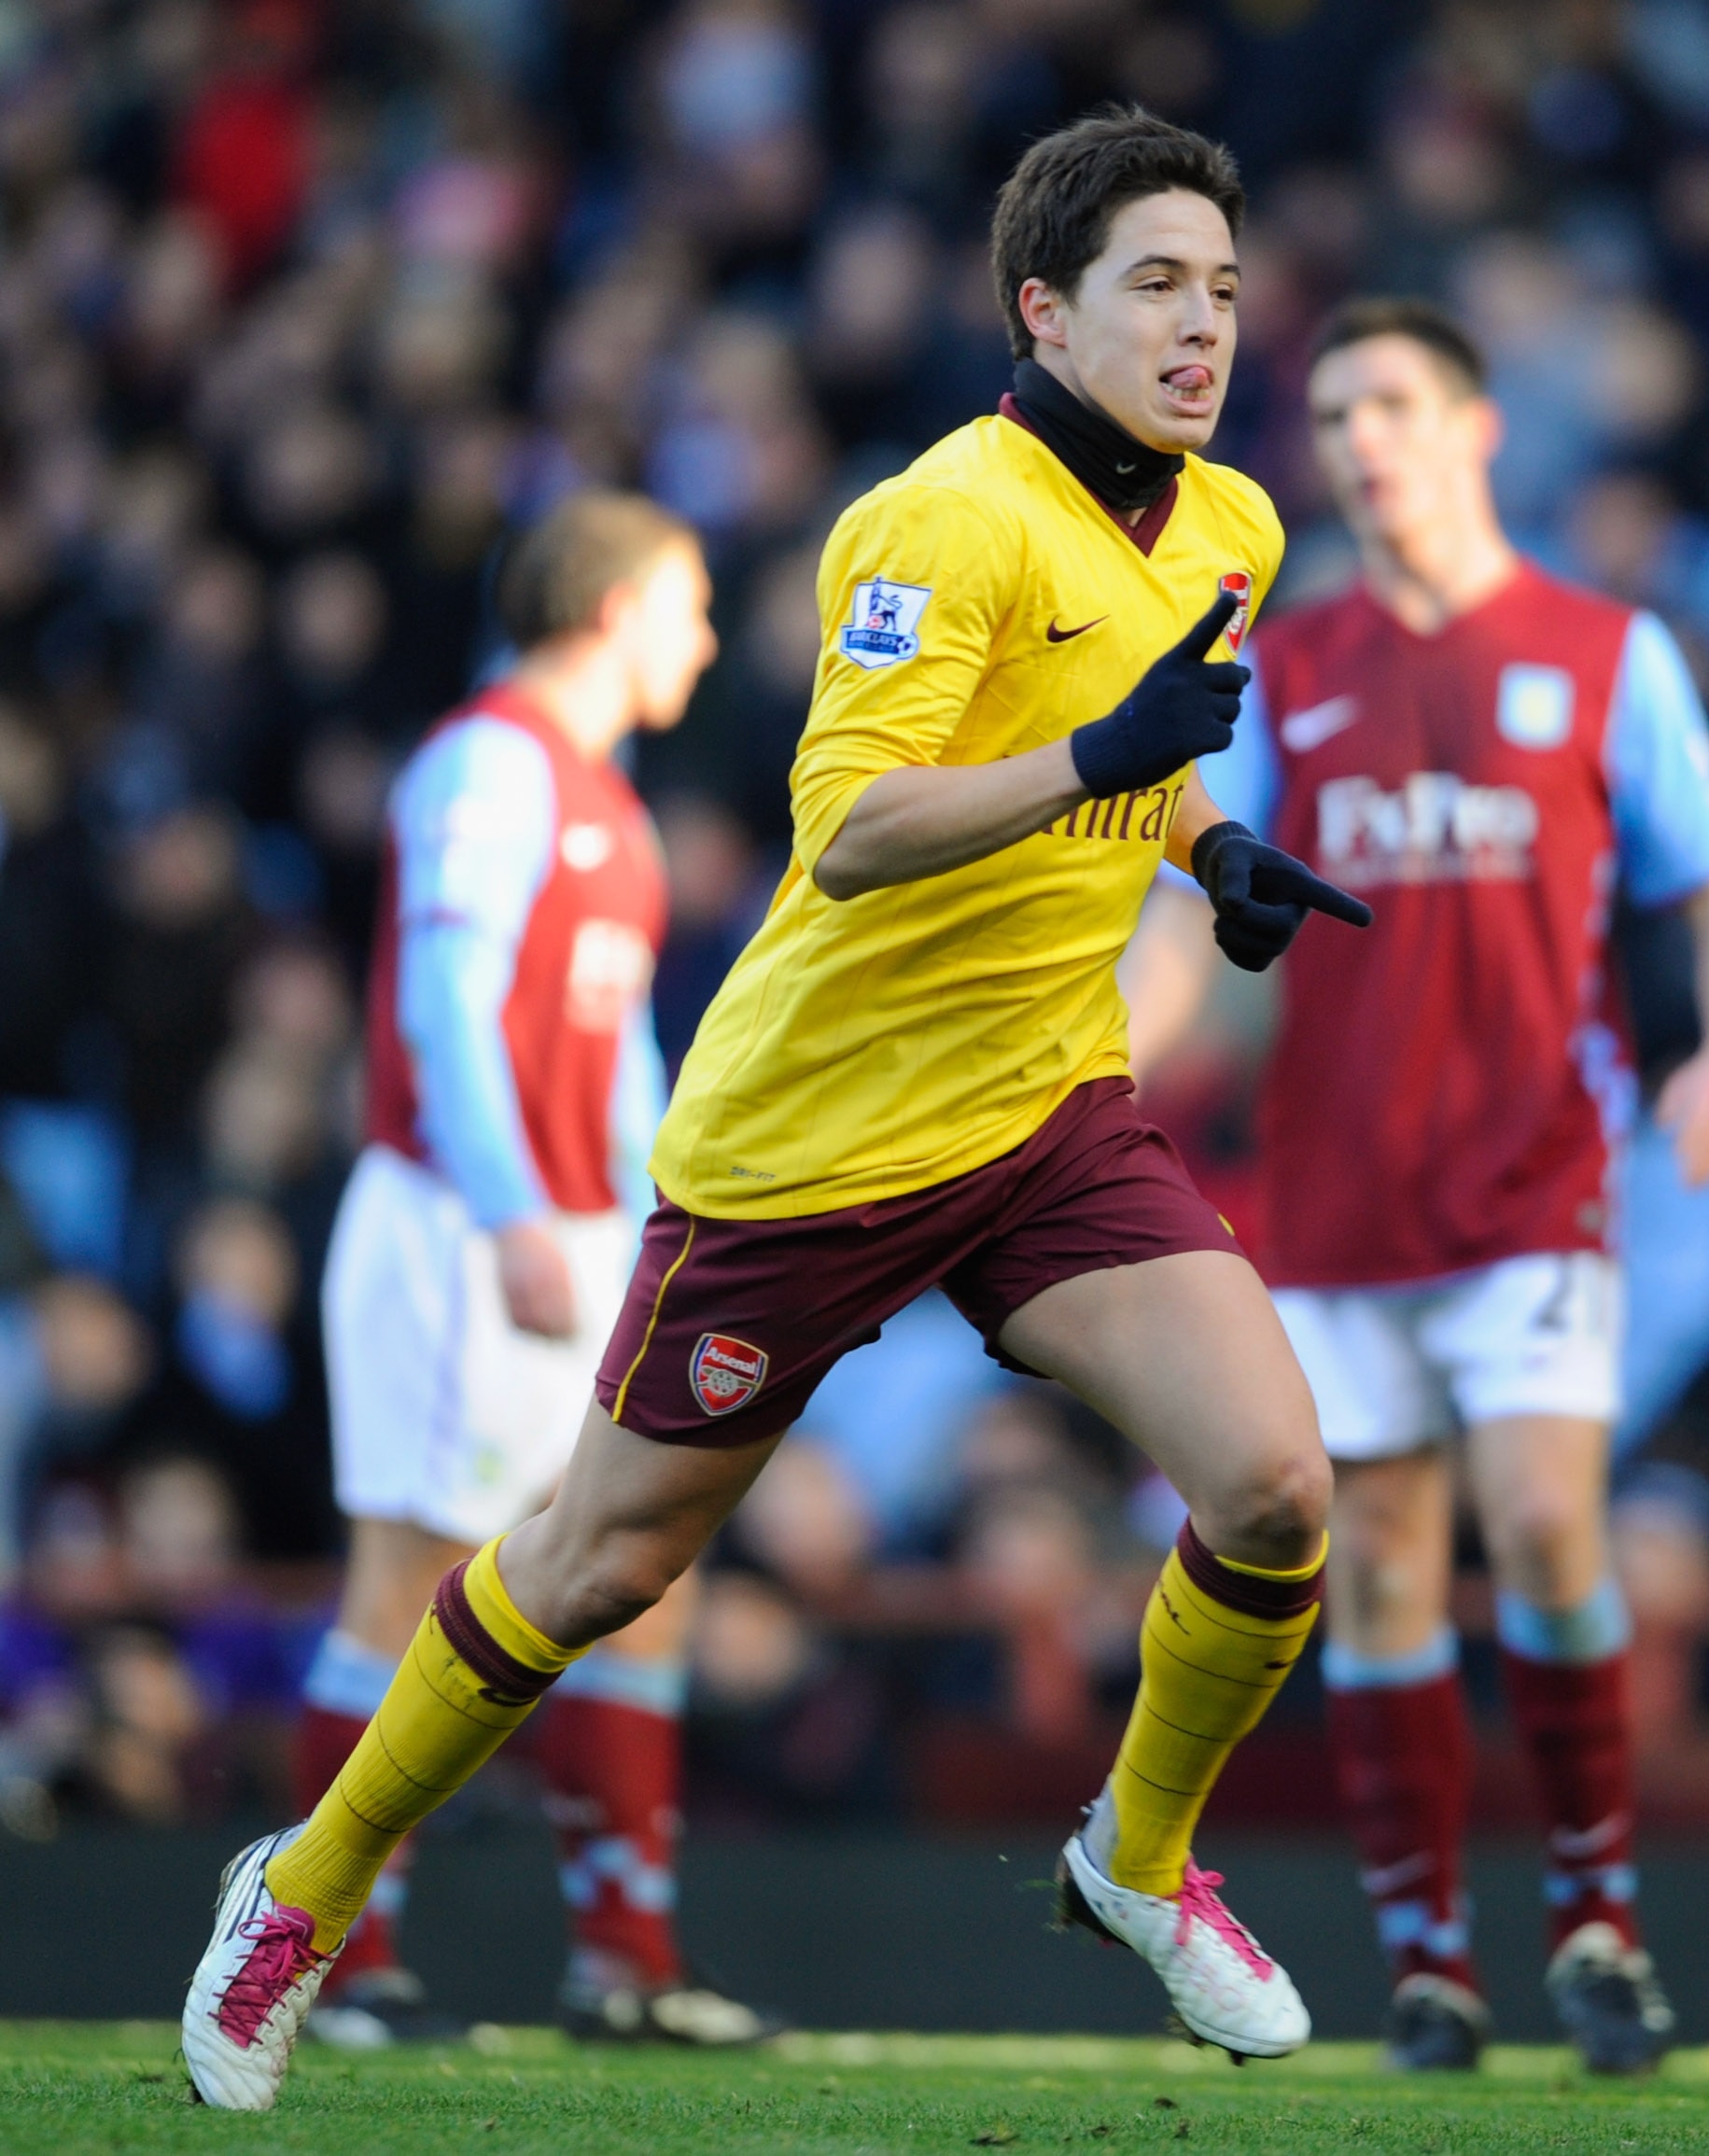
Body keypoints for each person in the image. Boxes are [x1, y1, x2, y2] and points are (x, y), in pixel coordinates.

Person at [183, 108, 1371, 2111]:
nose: (1201, 329)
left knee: (1274, 1488)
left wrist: (1208, 842)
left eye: (1225, 292)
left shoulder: (1233, 525)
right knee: (592, 1568)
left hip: (1044, 1112)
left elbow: (1131, 763)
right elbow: (849, 832)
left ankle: (1139, 1864)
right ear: (1042, 309)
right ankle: (298, 1890)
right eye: (1155, 287)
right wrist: (1115, 748)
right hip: (809, 1147)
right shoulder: (937, 520)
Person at [1128, 298, 1709, 2073]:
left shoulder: (1599, 651)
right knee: (1392, 1562)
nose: (1360, 437)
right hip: (1338, 1189)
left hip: (1533, 1178)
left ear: (1478, 425)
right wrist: (1103, 1056)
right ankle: (1430, 1955)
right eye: (1334, 410)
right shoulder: (1279, 664)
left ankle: (1596, 1916)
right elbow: (1194, 906)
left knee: (1552, 1520)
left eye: (1394, 402)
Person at [301, 489, 775, 2051]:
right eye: (689, 605)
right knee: (412, 1577)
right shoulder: (487, 764)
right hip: (457, 1225)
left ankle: (624, 1960)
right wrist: (510, 1207)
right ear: (621, 606)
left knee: (641, 1583)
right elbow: (445, 1003)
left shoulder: (608, 801)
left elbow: (613, 1052)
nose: (703, 640)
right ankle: (329, 1953)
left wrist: (664, 1220)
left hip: (570, 1232)